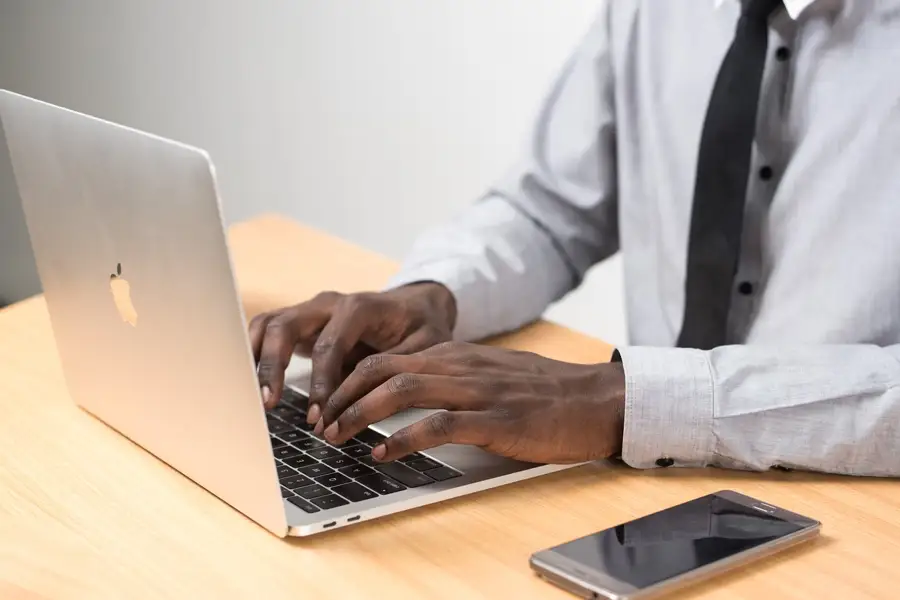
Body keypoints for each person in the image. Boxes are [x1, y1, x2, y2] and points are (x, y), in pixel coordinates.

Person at [250, 0, 900, 477]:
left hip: (848, 501)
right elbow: (554, 206)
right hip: (641, 481)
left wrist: (624, 398)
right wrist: (438, 295)